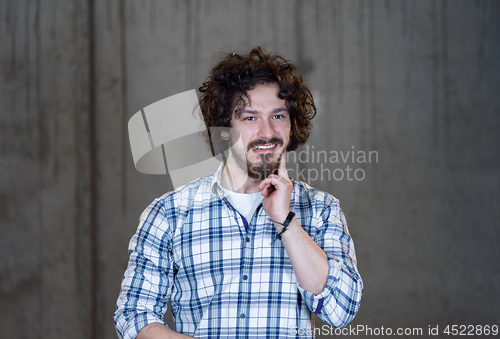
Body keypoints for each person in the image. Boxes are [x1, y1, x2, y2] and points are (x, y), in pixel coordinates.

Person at [114, 47, 363, 339]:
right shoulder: (170, 213)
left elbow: (340, 311)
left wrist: (286, 221)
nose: (267, 131)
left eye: (278, 115)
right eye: (249, 118)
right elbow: (133, 315)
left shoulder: (320, 209)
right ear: (223, 131)